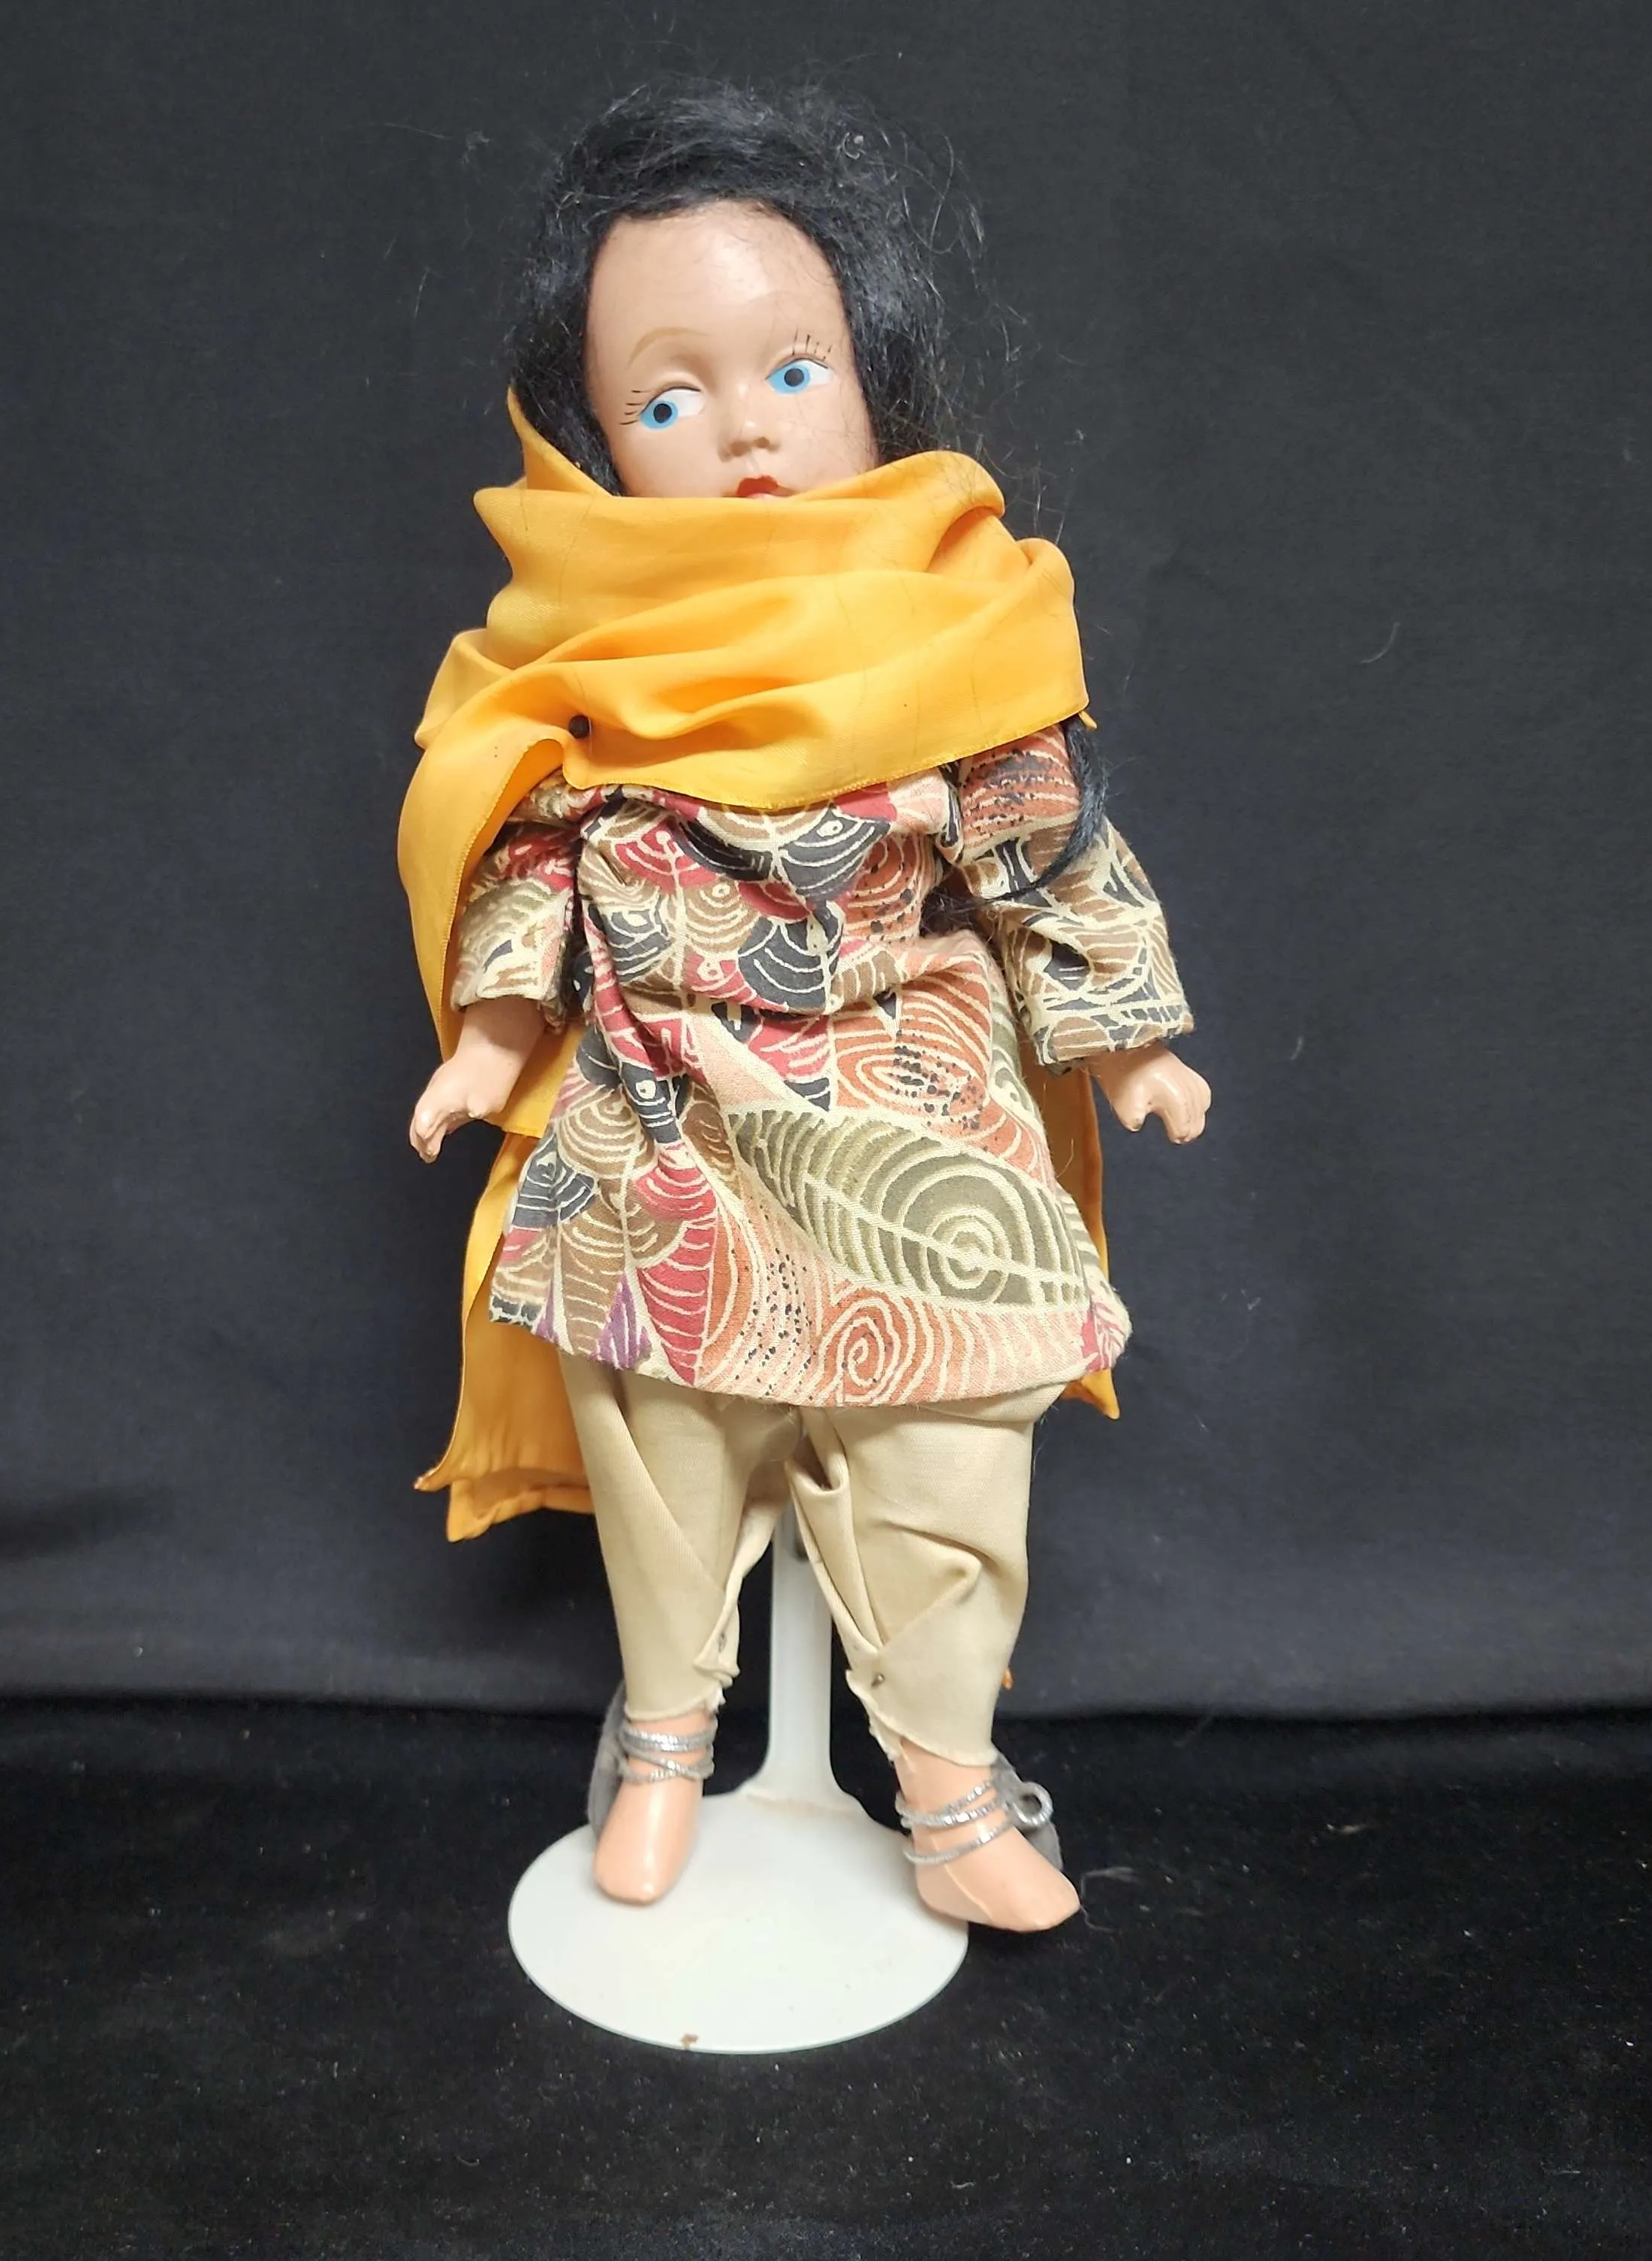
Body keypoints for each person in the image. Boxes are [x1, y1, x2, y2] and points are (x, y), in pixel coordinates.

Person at [398, 81, 1210, 1932]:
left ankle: (947, 1791)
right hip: (668, 1107)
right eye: (668, 399)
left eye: (792, 370)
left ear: (874, 375)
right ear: (596, 444)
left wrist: (1132, 1040)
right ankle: (666, 1747)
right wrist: (492, 1042)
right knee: (664, 1457)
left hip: (904, 1104)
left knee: (946, 1461)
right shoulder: (588, 650)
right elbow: (533, 859)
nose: (747, 430)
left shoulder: (954, 619)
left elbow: (1041, 839)